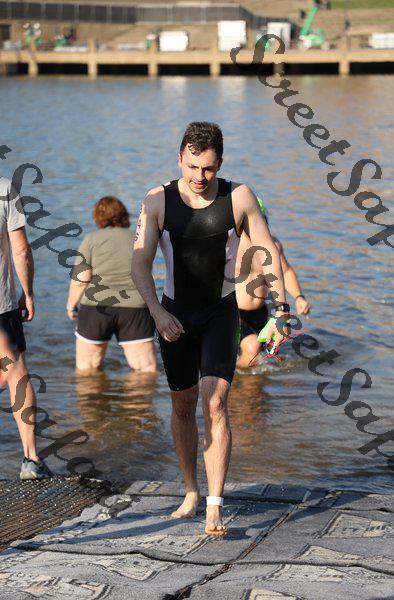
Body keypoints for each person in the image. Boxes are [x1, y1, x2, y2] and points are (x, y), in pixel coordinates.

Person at [131, 122, 290, 535]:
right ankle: (190, 491)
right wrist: (156, 313)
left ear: (220, 163)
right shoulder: (157, 200)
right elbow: (140, 263)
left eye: (208, 169)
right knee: (183, 405)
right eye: (192, 167)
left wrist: (281, 308)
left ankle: (215, 504)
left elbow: (267, 251)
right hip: (174, 315)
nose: (200, 177)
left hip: (221, 312)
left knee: (215, 402)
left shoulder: (239, 196)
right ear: (180, 158)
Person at [67, 196, 157, 374]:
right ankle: (138, 393)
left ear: (97, 216)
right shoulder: (138, 238)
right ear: (124, 214)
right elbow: (146, 270)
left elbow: (81, 278)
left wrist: (71, 305)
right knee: (145, 369)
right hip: (135, 307)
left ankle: (95, 392)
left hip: (96, 307)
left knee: (87, 369)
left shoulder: (91, 239)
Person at [0, 177, 52, 479]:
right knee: (17, 375)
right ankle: (30, 459)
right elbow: (21, 251)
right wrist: (28, 292)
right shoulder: (4, 188)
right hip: (2, 305)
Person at [236, 199, 311, 368]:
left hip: (260, 313)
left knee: (263, 354)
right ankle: (241, 384)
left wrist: (299, 297)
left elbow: (286, 271)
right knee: (252, 347)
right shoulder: (232, 245)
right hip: (234, 312)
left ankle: (246, 379)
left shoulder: (273, 246)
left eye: (260, 220)